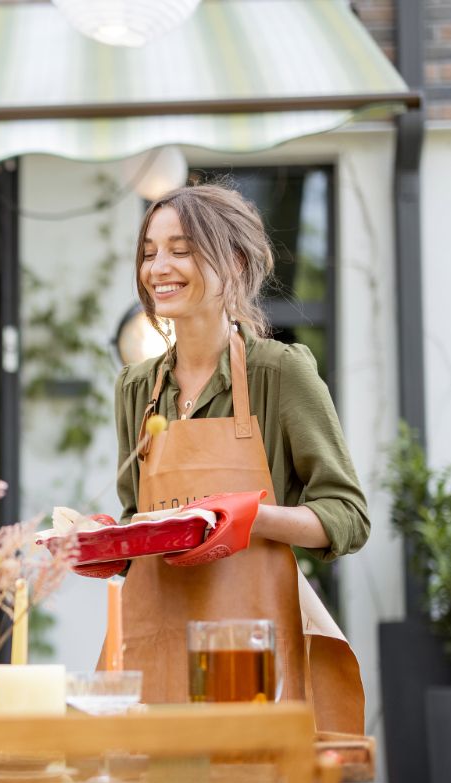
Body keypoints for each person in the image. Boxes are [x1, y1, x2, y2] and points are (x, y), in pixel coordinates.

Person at [90, 183, 368, 734]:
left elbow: (347, 516)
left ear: (235, 262)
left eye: (181, 249)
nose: (158, 267)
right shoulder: (137, 388)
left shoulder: (279, 373)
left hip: (247, 658)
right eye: (149, 252)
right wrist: (109, 547)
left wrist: (251, 518)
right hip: (153, 649)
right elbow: (139, 523)